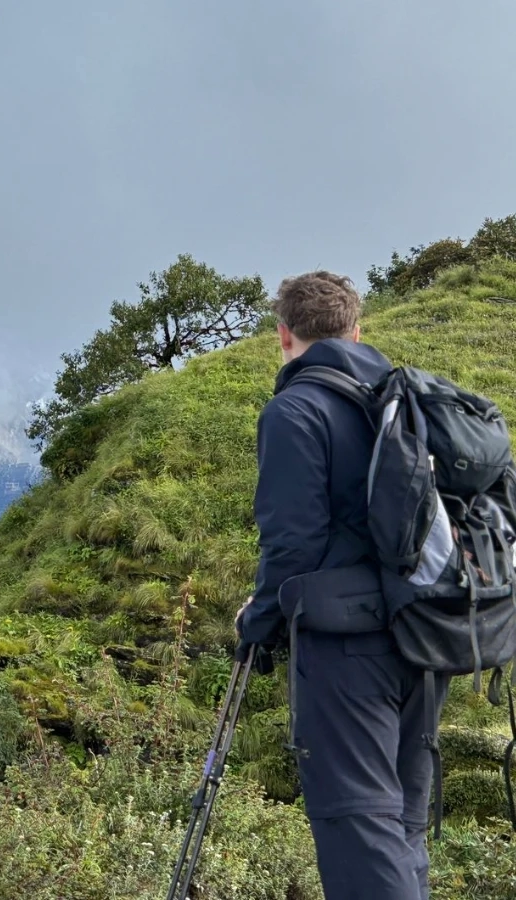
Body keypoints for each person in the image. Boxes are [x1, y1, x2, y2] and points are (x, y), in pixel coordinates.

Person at [234, 271, 445, 899]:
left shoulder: (295, 410)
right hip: (426, 638)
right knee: (403, 828)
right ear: (358, 330)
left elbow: (291, 546)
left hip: (350, 653)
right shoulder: (403, 402)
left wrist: (257, 622)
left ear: (283, 336)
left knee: (360, 827)